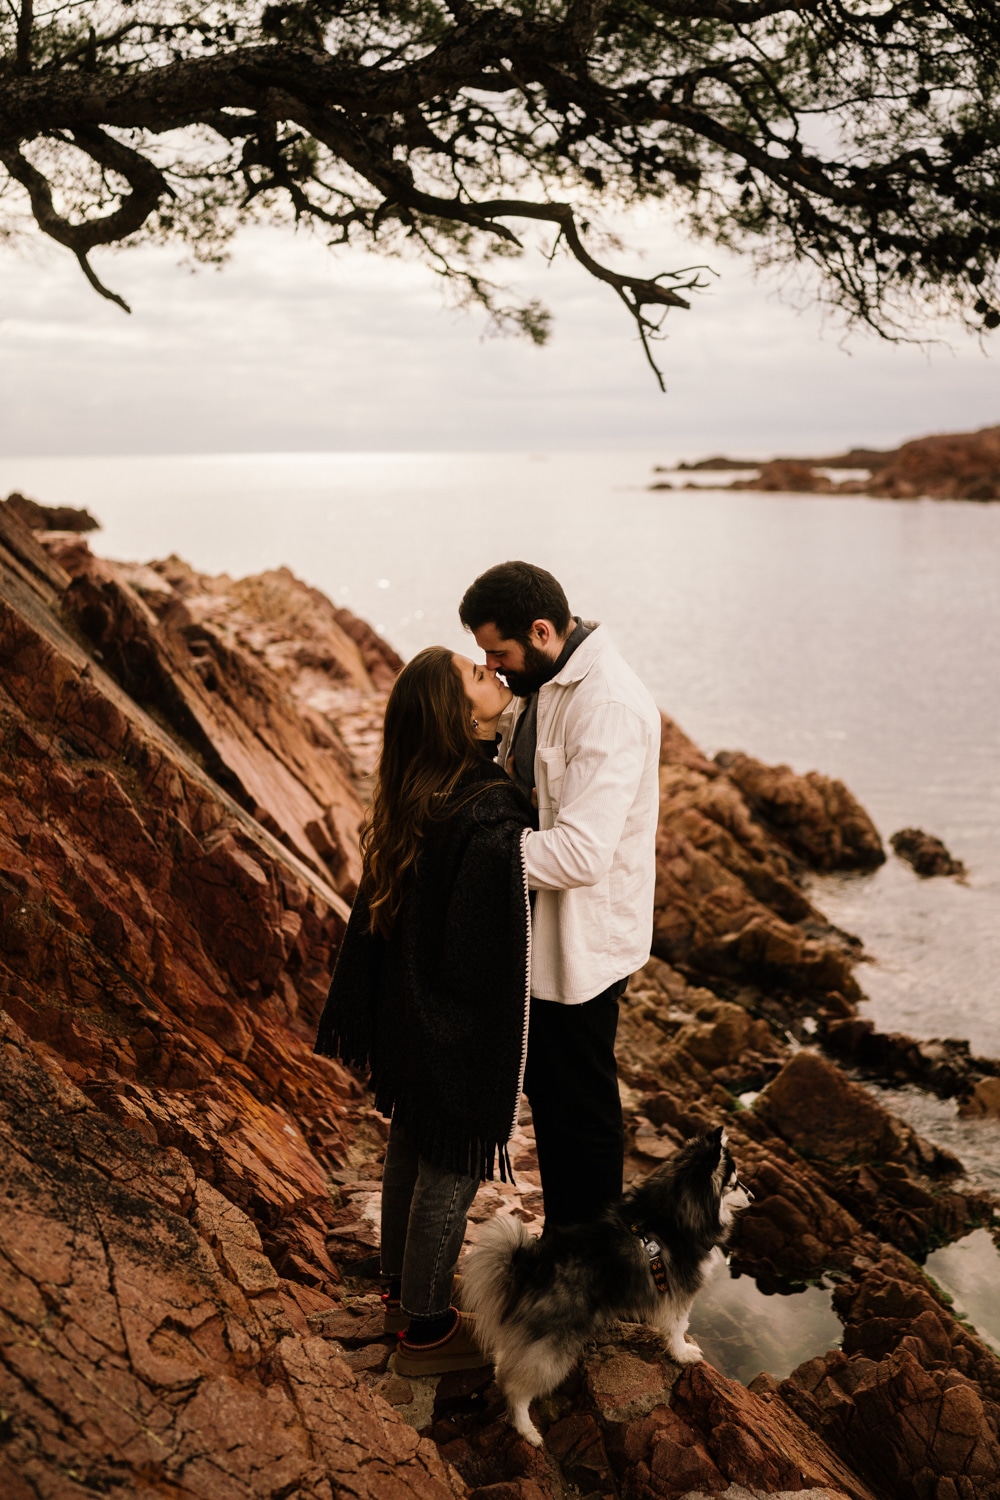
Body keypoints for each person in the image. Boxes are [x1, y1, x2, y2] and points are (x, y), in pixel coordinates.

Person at [315, 647, 533, 1375]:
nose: (492, 674)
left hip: (405, 1014)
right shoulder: (487, 807)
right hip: (449, 1024)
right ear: (459, 715)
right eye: (478, 675)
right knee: (453, 1158)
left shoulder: (418, 792)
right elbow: (483, 944)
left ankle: (400, 1296)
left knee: (412, 1139)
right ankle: (429, 1334)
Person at [459, 561, 661, 1232]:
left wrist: (471, 857)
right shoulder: (544, 681)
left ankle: (588, 1264)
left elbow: (580, 852)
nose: (492, 667)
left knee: (582, 1109)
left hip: (586, 941)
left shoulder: (606, 704)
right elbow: (523, 790)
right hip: (539, 930)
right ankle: (569, 1249)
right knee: (552, 1096)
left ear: (542, 631)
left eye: (500, 653)